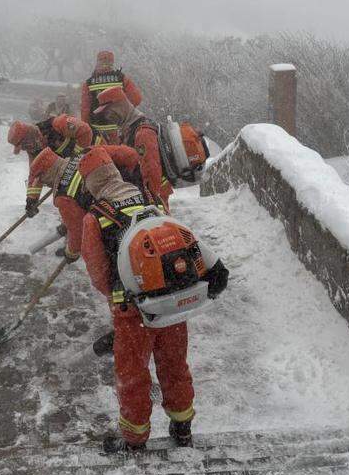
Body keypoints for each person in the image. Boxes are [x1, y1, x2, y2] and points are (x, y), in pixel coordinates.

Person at [76, 146, 228, 453]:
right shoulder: (149, 199)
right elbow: (177, 236)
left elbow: (98, 273)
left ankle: (134, 438)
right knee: (174, 364)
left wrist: (121, 295)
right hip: (171, 300)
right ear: (113, 172)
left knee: (132, 374)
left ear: (91, 183)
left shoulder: (96, 217)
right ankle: (182, 427)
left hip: (133, 310)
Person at [25, 144, 143, 261]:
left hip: (116, 215)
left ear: (47, 174)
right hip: (135, 191)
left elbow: (78, 232)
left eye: (43, 181)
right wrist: (137, 169)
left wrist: (71, 253)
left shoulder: (63, 196)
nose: (46, 184)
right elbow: (123, 152)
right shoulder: (84, 154)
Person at [92, 85, 171, 212]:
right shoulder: (129, 129)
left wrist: (151, 203)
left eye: (108, 111)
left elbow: (152, 171)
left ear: (120, 106)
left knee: (159, 223)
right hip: (145, 192)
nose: (107, 117)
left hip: (156, 194)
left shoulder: (143, 132)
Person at [9, 115, 95, 217]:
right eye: (23, 148)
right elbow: (36, 174)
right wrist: (31, 199)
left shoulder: (56, 124)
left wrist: (76, 158)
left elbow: (85, 131)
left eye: (25, 145)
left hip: (95, 152)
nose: (26, 149)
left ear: (29, 136)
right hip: (79, 173)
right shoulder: (33, 151)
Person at [81, 51, 142, 144]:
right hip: (118, 129)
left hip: (97, 130)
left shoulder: (88, 83)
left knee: (100, 152)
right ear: (112, 62)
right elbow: (137, 99)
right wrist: (122, 108)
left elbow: (85, 110)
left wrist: (87, 129)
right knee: (120, 152)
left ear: (97, 62)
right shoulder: (121, 78)